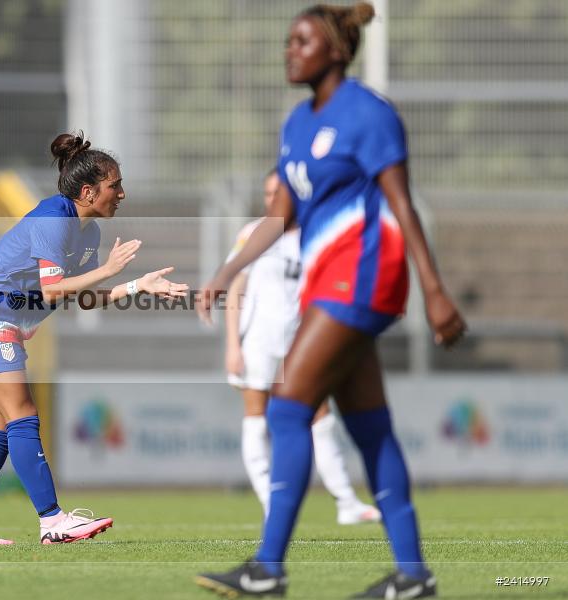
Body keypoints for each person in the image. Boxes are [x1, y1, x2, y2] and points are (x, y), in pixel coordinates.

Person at [195, 3, 466, 598]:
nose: (289, 50)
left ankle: (268, 568)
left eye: (302, 41)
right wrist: (229, 267)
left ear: (336, 51)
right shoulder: (296, 123)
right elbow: (280, 216)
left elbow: (402, 203)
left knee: (288, 409)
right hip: (329, 281)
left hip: (364, 275)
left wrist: (435, 290)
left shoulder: (368, 114)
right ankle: (414, 577)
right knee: (370, 428)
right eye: (288, 40)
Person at [0, 132, 189, 545]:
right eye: (115, 186)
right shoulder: (53, 218)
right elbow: (54, 290)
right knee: (23, 415)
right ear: (89, 191)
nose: (122, 194)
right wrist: (109, 270)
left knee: (2, 428)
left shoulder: (87, 234)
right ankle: (53, 521)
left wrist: (137, 286)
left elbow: (83, 299)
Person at [226, 170, 380, 525]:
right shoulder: (253, 234)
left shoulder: (315, 234)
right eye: (266, 193)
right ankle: (271, 503)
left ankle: (346, 502)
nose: (271, 199)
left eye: (277, 192)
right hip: (259, 341)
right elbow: (236, 288)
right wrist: (233, 344)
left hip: (300, 341)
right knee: (256, 417)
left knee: (321, 416)